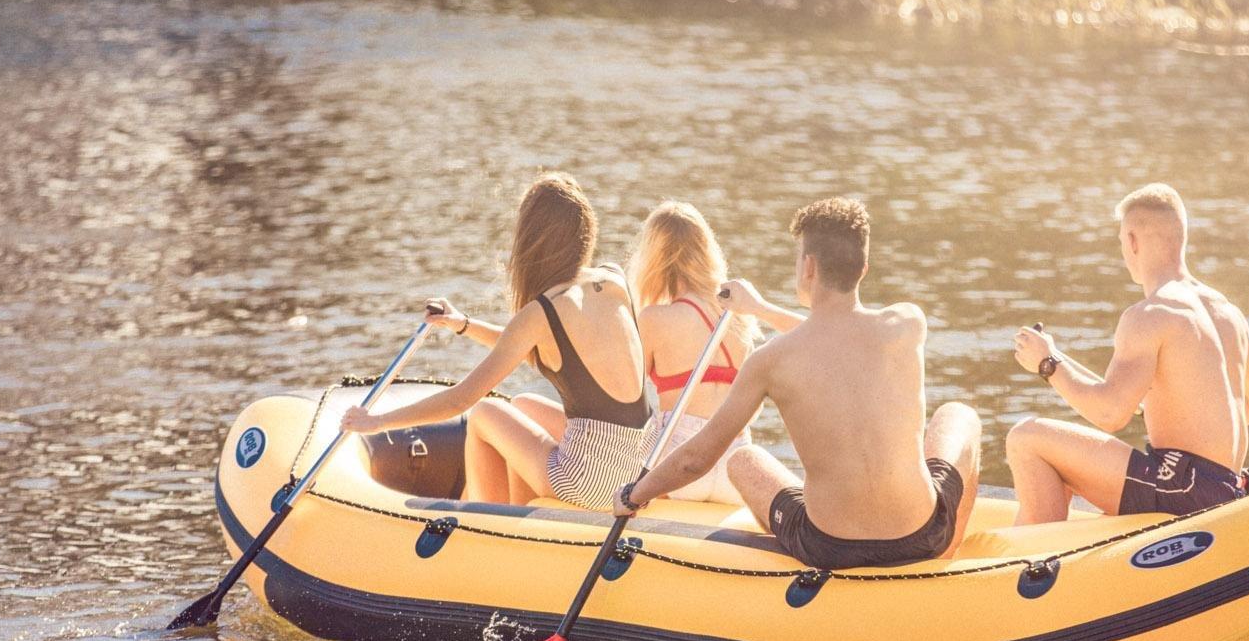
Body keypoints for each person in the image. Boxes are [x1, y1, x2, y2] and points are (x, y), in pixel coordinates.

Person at [616, 198, 982, 570]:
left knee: (744, 460)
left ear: (808, 267)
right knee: (959, 415)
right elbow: (837, 338)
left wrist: (633, 495)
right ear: (864, 268)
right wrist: (760, 310)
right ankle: (946, 556)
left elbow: (697, 458)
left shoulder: (772, 361)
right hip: (923, 532)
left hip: (830, 546)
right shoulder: (907, 323)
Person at [341, 173, 651, 508]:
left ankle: (486, 525)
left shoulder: (542, 312)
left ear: (533, 243)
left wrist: (376, 422)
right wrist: (463, 324)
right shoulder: (613, 280)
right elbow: (527, 348)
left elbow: (459, 400)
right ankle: (523, 519)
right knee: (524, 405)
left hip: (592, 481)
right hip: (642, 464)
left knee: (485, 412)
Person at [1005, 183, 1249, 525]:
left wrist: (1047, 364)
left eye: (1122, 242)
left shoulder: (1150, 314)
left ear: (1133, 241)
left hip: (1181, 490)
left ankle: (1030, 567)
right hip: (1226, 486)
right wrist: (1195, 418)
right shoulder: (1225, 311)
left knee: (1026, 437)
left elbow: (1110, 414)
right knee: (1061, 457)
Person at [626, 200, 796, 504]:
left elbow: (626, 393)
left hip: (675, 459)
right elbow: (752, 407)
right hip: (734, 460)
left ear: (653, 258)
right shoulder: (738, 316)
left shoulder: (654, 318)